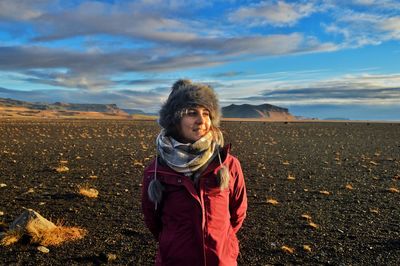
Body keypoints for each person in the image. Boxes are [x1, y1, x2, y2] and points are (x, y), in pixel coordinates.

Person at [141, 79, 247, 266]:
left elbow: (237, 213)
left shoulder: (227, 165)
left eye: (206, 113)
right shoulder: (156, 172)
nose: (201, 120)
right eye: (192, 113)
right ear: (174, 120)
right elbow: (153, 222)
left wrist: (223, 244)